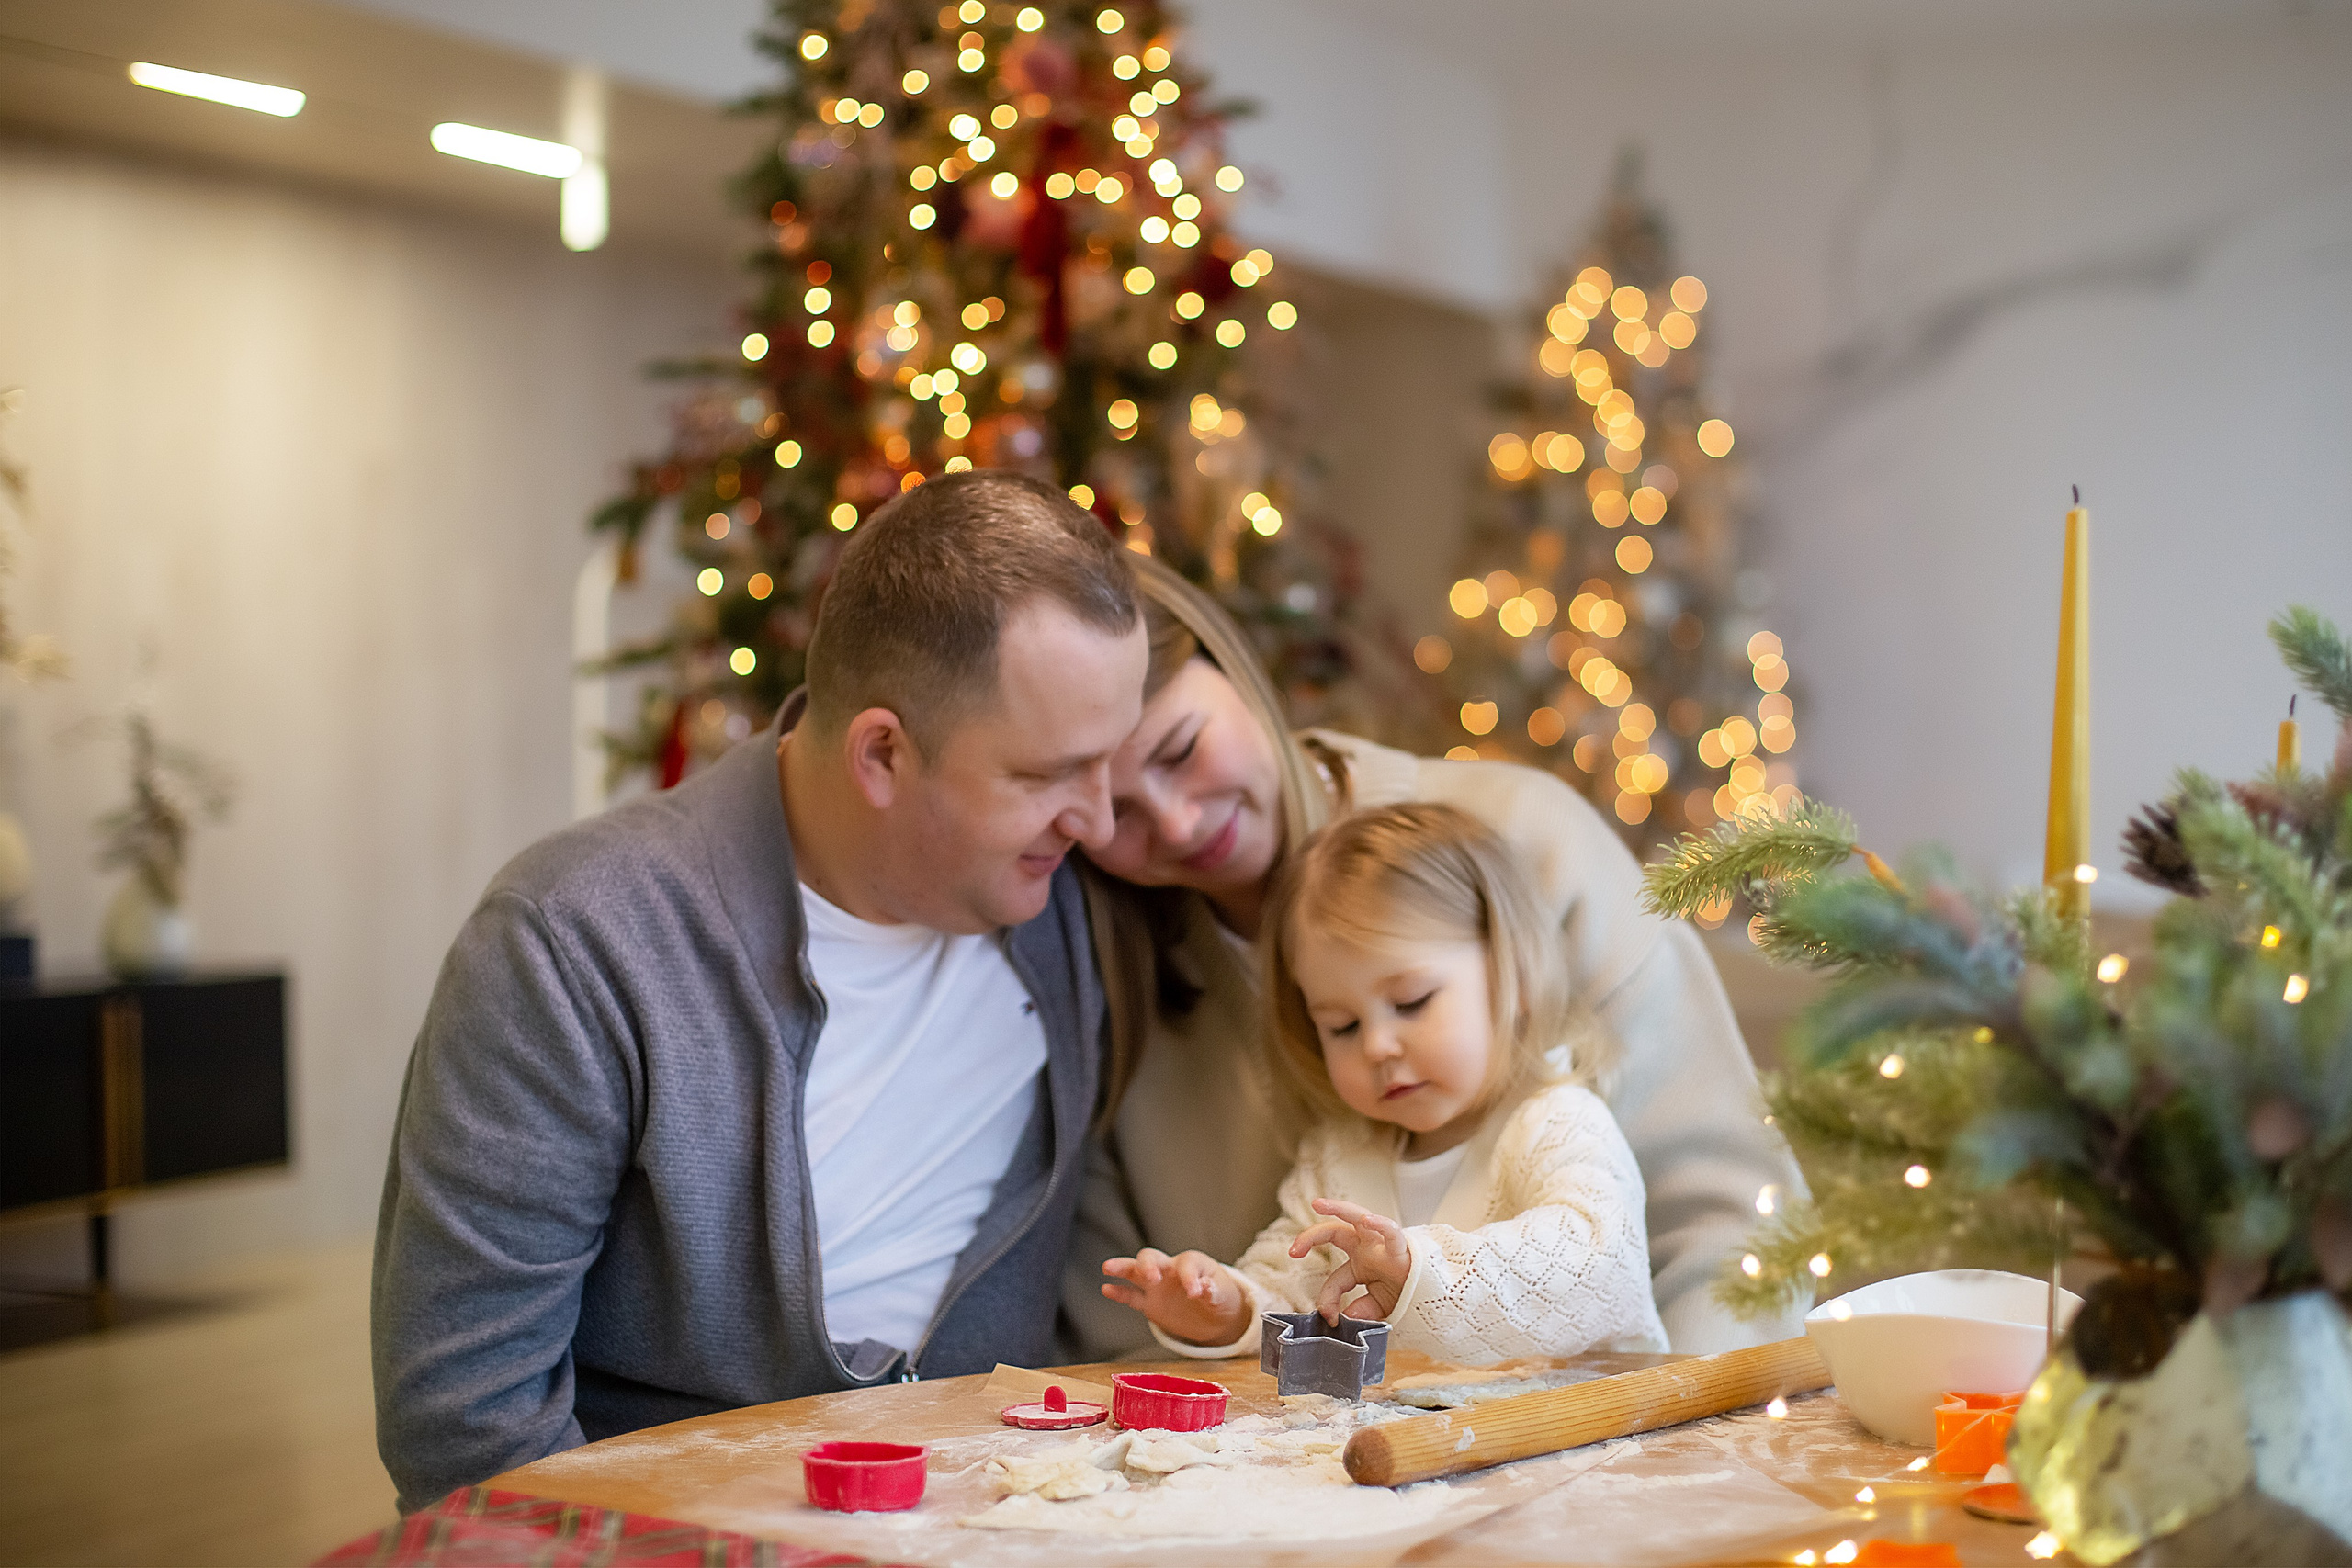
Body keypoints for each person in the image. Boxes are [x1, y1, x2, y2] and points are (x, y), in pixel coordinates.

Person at [372, 471, 1147, 1511]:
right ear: (882, 752)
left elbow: (1325, 867)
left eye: (1111, 761)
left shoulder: (1081, 908)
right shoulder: (579, 941)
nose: (1102, 821)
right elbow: (464, 1423)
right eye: (1045, 774)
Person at [1062, 556, 1806, 1359]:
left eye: (1180, 750)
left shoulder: (1533, 854)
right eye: (1113, 810)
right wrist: (1230, 1310)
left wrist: (1679, 1431)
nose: (1177, 823)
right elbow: (1269, 1285)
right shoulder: (1106, 973)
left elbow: (1722, 1231)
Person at [1101, 803, 1668, 1363]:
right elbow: (1298, 1293)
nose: (1376, 1046)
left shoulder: (1557, 1122)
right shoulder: (1340, 1159)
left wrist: (1416, 1269)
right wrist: (1230, 1308)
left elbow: (1601, 1264)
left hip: (1595, 1422)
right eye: (1342, 1026)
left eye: (1411, 1002)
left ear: (1514, 977)